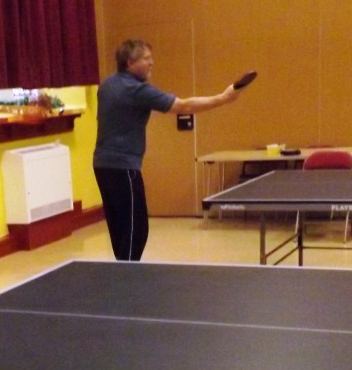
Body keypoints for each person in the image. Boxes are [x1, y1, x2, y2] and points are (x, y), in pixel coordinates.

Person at [93, 39, 244, 261]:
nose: (152, 63)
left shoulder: (106, 85)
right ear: (130, 62)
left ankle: (122, 270)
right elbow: (183, 106)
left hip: (101, 164)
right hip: (123, 166)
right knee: (137, 229)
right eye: (146, 59)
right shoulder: (137, 90)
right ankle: (125, 279)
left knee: (119, 226)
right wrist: (223, 98)